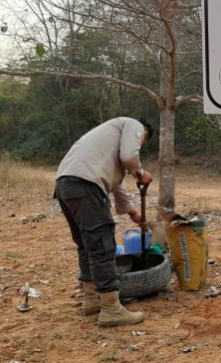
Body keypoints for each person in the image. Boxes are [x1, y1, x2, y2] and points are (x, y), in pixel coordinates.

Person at [54, 117, 154, 327]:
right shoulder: (134, 125)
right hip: (85, 185)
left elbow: (116, 186)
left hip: (66, 185)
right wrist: (141, 172)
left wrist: (133, 214)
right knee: (102, 246)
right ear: (145, 135)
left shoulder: (105, 144)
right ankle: (110, 309)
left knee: (86, 244)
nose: (139, 146)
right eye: (142, 144)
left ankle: (91, 299)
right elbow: (129, 157)